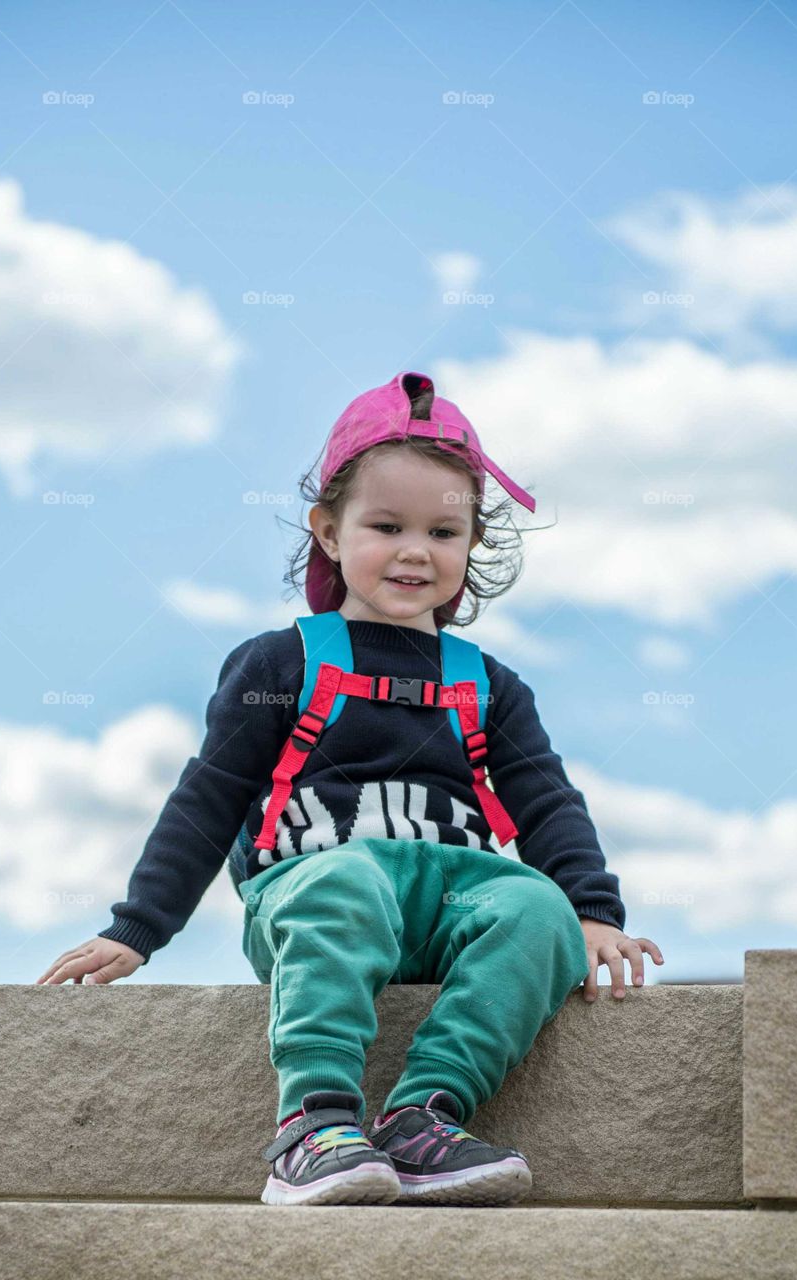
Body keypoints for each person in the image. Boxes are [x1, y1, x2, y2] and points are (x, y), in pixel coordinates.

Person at [35, 370, 664, 1208]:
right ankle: (315, 1123)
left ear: (472, 543)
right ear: (329, 532)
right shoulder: (281, 663)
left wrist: (593, 910)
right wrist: (138, 929)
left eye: (444, 531)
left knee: (535, 907)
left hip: (451, 903)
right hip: (312, 892)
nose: (415, 550)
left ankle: (425, 1114)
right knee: (347, 879)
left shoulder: (490, 685)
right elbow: (209, 794)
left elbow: (546, 800)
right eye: (386, 525)